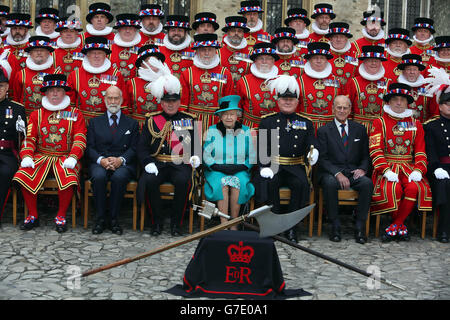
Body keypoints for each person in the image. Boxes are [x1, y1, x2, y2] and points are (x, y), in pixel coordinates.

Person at [13, 74, 87, 233]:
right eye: (51, 90)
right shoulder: (36, 114)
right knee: (23, 173)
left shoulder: (74, 113)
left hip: (65, 157)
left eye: (58, 90)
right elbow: (29, 138)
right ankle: (33, 215)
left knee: (68, 176)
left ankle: (61, 216)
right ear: (45, 93)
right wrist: (26, 155)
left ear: (65, 93)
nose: (54, 94)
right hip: (42, 156)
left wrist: (74, 157)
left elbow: (80, 137)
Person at [256, 75, 318, 243]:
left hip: (295, 166)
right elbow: (262, 148)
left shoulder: (306, 122)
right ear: (278, 101)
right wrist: (264, 166)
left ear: (297, 102)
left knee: (300, 184)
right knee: (270, 183)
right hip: (273, 166)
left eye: (291, 99)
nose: (288, 102)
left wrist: (314, 152)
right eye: (284, 99)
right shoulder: (267, 122)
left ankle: (292, 228)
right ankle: (275, 227)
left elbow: (311, 143)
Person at [137, 73, 200, 237]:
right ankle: (156, 222)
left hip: (180, 163)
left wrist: (195, 156)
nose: (170, 105)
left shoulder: (190, 119)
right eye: (166, 102)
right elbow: (142, 146)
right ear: (161, 103)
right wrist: (147, 162)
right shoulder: (151, 120)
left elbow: (196, 145)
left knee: (183, 181)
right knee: (150, 180)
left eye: (174, 101)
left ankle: (176, 224)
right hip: (158, 163)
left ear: (179, 102)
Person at [369, 83, 432, 242]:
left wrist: (418, 170)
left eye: (402, 100)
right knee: (394, 189)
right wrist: (385, 170)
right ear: (388, 102)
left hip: (409, 167)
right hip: (387, 168)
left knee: (412, 187)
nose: (398, 103)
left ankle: (395, 225)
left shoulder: (415, 124)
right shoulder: (379, 122)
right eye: (395, 99)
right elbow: (375, 149)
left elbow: (420, 151)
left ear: (407, 103)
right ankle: (400, 227)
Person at [317, 95, 373, 244]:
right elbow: (322, 158)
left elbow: (366, 156)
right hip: (332, 172)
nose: (342, 110)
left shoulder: (360, 129)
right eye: (339, 107)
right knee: (329, 184)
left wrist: (362, 169)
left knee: (367, 183)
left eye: (345, 107)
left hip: (353, 171)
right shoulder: (324, 131)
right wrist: (337, 173)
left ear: (350, 110)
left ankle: (360, 226)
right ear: (333, 109)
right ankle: (335, 226)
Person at [87, 86, 139, 235]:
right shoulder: (94, 122)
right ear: (104, 100)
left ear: (122, 100)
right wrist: (101, 160)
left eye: (116, 98)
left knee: (119, 177)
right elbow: (89, 147)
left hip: (123, 163)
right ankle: (100, 219)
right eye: (110, 98)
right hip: (100, 161)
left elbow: (135, 148)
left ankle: (114, 219)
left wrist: (121, 160)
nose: (113, 101)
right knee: (98, 177)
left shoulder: (132, 124)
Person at [203, 95, 255, 227]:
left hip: (240, 170)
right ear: (220, 116)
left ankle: (234, 224)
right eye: (225, 114)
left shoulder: (246, 131)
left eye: (232, 114)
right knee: (222, 184)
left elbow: (252, 155)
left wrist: (242, 167)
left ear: (237, 116)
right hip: (216, 170)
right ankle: (223, 224)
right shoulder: (212, 130)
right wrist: (216, 166)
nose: (229, 117)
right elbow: (206, 153)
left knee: (238, 182)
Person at [180, 33, 234, 137]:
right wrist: (183, 131)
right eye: (203, 50)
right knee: (193, 152)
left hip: (217, 122)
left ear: (215, 51)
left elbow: (229, 103)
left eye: (210, 49)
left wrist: (227, 128)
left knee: (216, 152)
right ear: (197, 51)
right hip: (193, 123)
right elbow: (182, 106)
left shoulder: (225, 73)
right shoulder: (187, 73)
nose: (206, 53)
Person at [67, 36, 128, 123]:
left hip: (107, 122)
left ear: (105, 55)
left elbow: (123, 103)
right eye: (92, 53)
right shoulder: (75, 75)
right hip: (82, 122)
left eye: (99, 53)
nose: (96, 56)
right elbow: (70, 104)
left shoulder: (116, 74)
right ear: (87, 55)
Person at [424, 81, 450, 243]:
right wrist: (436, 168)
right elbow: (430, 152)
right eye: (448, 104)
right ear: (440, 106)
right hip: (439, 168)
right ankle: (444, 230)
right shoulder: (431, 126)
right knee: (444, 184)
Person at [0, 67, 26, 225]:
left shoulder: (17, 109)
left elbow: (23, 137)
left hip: (8, 154)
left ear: (7, 87)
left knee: (4, 173)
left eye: (1, 86)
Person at [298, 42, 343, 131]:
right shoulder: (299, 81)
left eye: (322, 58)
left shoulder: (337, 81)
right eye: (315, 58)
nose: (319, 61)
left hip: (330, 129)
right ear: (309, 60)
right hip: (305, 128)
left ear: (327, 60)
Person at [12, 35, 60, 117]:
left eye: (42, 50)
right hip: (26, 116)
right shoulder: (21, 74)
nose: (38, 53)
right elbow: (16, 98)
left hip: (48, 118)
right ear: (30, 53)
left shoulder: (57, 74)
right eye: (35, 50)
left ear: (48, 53)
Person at [346, 45, 391, 131]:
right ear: (364, 62)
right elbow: (348, 107)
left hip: (380, 127)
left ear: (380, 63)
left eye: (376, 61)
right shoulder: (354, 82)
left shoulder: (388, 83)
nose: (373, 63)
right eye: (370, 60)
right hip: (357, 128)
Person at [236, 42, 279, 129]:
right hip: (250, 127)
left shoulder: (282, 80)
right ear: (255, 60)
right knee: (250, 143)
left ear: (274, 61)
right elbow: (238, 107)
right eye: (260, 58)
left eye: (268, 58)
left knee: (272, 143)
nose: (264, 61)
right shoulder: (244, 81)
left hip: (274, 127)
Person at [126, 44, 168, 127]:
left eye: (155, 60)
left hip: (161, 127)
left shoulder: (167, 82)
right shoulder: (131, 83)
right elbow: (127, 110)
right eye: (148, 60)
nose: (152, 63)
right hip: (137, 128)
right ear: (142, 64)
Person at [397, 54, 433, 122]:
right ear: (403, 71)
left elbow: (434, 113)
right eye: (408, 69)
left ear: (419, 72)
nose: (412, 72)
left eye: (415, 69)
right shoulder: (396, 87)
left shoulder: (428, 88)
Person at [110, 13, 145, 82]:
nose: (127, 31)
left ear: (135, 30)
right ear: (119, 30)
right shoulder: (108, 49)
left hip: (135, 89)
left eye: (131, 28)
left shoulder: (143, 49)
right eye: (124, 28)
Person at [219, 15, 252, 85]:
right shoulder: (217, 53)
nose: (236, 33)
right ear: (227, 33)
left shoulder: (251, 54)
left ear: (243, 34)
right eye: (233, 31)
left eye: (239, 31)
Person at [3, 13, 33, 82]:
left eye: (20, 28)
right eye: (14, 28)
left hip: (25, 86)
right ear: (10, 30)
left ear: (26, 30)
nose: (17, 31)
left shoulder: (32, 47)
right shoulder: (3, 47)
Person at [326, 22, 358, 86]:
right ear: (331, 39)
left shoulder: (355, 55)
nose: (338, 39)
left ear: (346, 39)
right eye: (335, 37)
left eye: (341, 37)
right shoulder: (323, 55)